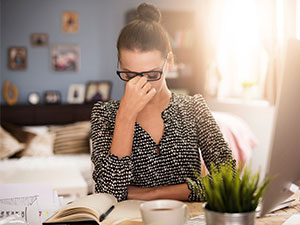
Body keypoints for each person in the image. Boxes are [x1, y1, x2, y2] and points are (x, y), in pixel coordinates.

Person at [91, 2, 236, 202]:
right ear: (120, 65)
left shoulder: (194, 107)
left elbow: (228, 179)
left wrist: (151, 194)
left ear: (170, 63)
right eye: (130, 74)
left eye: (152, 74)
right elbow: (107, 193)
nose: (141, 82)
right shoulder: (104, 114)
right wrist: (125, 116)